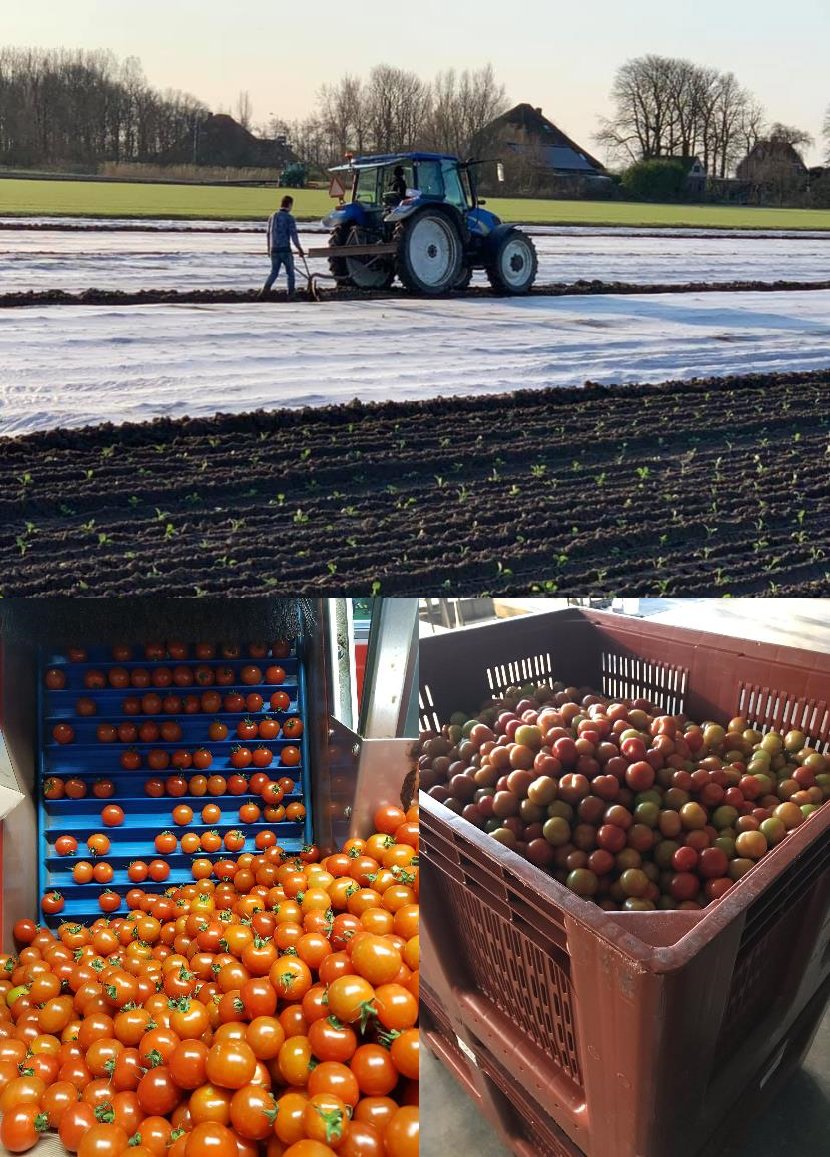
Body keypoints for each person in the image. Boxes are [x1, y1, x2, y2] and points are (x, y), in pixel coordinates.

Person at [260, 195, 304, 298]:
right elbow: (294, 235)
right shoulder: (289, 218)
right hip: (285, 250)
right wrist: (299, 249)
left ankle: (264, 292)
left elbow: (268, 234)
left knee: (274, 273)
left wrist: (269, 249)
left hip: (273, 250)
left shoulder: (272, 216)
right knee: (290, 273)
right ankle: (291, 294)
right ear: (290, 205)